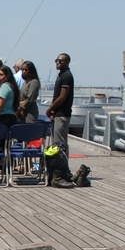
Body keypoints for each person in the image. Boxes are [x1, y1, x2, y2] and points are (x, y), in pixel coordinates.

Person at [46, 52, 76, 188]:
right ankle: (59, 170)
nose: (58, 62)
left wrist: (50, 108)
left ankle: (63, 172)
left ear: (67, 62)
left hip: (62, 114)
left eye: (61, 61)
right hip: (58, 113)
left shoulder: (67, 77)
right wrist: (53, 111)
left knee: (60, 145)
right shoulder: (61, 76)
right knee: (57, 143)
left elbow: (62, 97)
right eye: (56, 60)